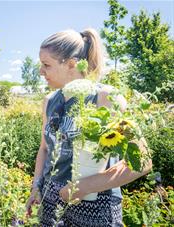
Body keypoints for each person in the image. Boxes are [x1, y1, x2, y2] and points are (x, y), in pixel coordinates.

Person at [25, 29, 152, 226]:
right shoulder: (49, 101)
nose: (40, 71)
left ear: (71, 64)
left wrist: (83, 187)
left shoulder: (106, 98)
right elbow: (44, 148)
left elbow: (142, 163)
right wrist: (36, 187)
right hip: (50, 203)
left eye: (46, 65)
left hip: (96, 208)